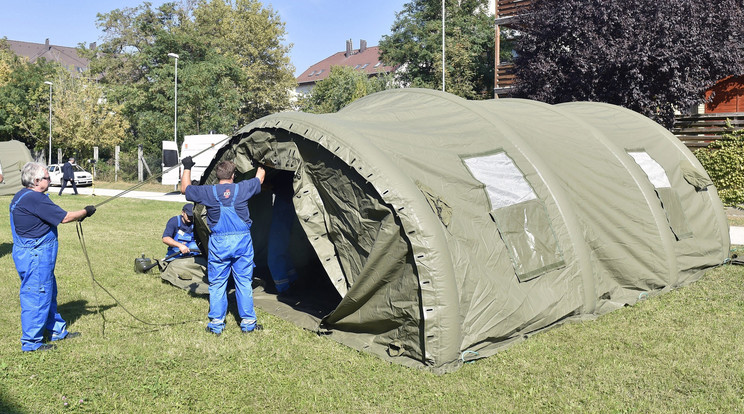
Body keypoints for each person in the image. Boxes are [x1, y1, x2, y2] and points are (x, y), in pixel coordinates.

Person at [10, 162, 96, 352]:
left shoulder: (22, 195)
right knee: (37, 296)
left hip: (32, 256)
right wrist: (85, 212)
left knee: (48, 293)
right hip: (35, 256)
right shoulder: (35, 199)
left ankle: (56, 330)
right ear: (36, 181)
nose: (50, 180)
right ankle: (31, 343)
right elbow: (65, 217)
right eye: (47, 178)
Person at [181, 156, 265, 335]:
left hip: (219, 243)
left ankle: (216, 325)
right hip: (242, 242)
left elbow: (185, 189)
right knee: (243, 282)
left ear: (217, 176)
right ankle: (248, 324)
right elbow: (260, 178)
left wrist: (187, 167)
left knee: (218, 283)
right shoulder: (242, 188)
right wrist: (262, 162)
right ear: (233, 175)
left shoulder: (208, 192)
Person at [159, 203, 209, 294]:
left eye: (192, 216)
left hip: (193, 255)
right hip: (176, 255)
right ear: (183, 212)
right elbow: (165, 239)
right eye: (188, 215)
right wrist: (180, 245)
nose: (190, 218)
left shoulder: (196, 223)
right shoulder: (174, 221)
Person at [266, 170, 298, 293]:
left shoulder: (282, 174)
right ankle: (293, 278)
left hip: (284, 205)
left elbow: (268, 185)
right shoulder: (291, 170)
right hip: (289, 205)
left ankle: (283, 287)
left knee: (275, 250)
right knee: (283, 247)